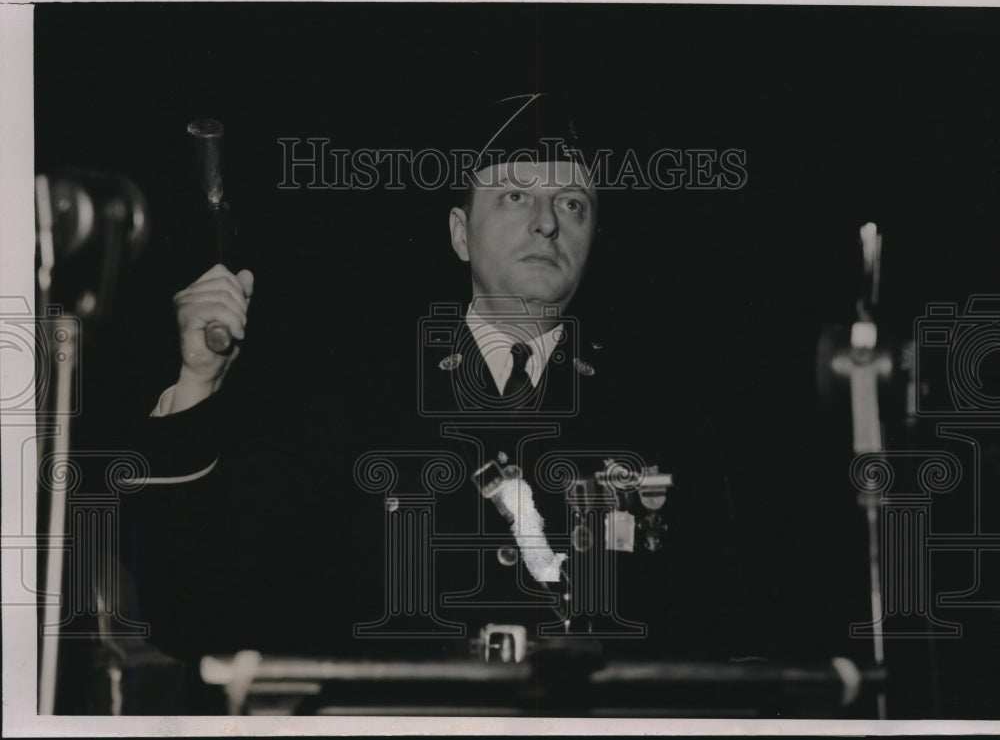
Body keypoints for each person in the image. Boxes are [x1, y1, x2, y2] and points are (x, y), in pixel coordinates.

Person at [120, 93, 740, 675]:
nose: (548, 222)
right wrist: (197, 382)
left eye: (573, 202)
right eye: (515, 197)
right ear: (460, 234)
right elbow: (190, 603)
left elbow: (722, 643)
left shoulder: (663, 421)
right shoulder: (361, 408)